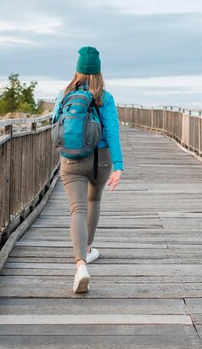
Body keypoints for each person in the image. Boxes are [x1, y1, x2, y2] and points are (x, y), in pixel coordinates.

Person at [52, 46, 123, 293]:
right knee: (94, 201)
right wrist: (119, 166)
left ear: (78, 69)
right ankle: (88, 248)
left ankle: (81, 264)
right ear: (98, 71)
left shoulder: (64, 94)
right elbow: (113, 131)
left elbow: (55, 124)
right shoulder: (106, 97)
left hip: (71, 160)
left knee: (77, 210)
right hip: (100, 160)